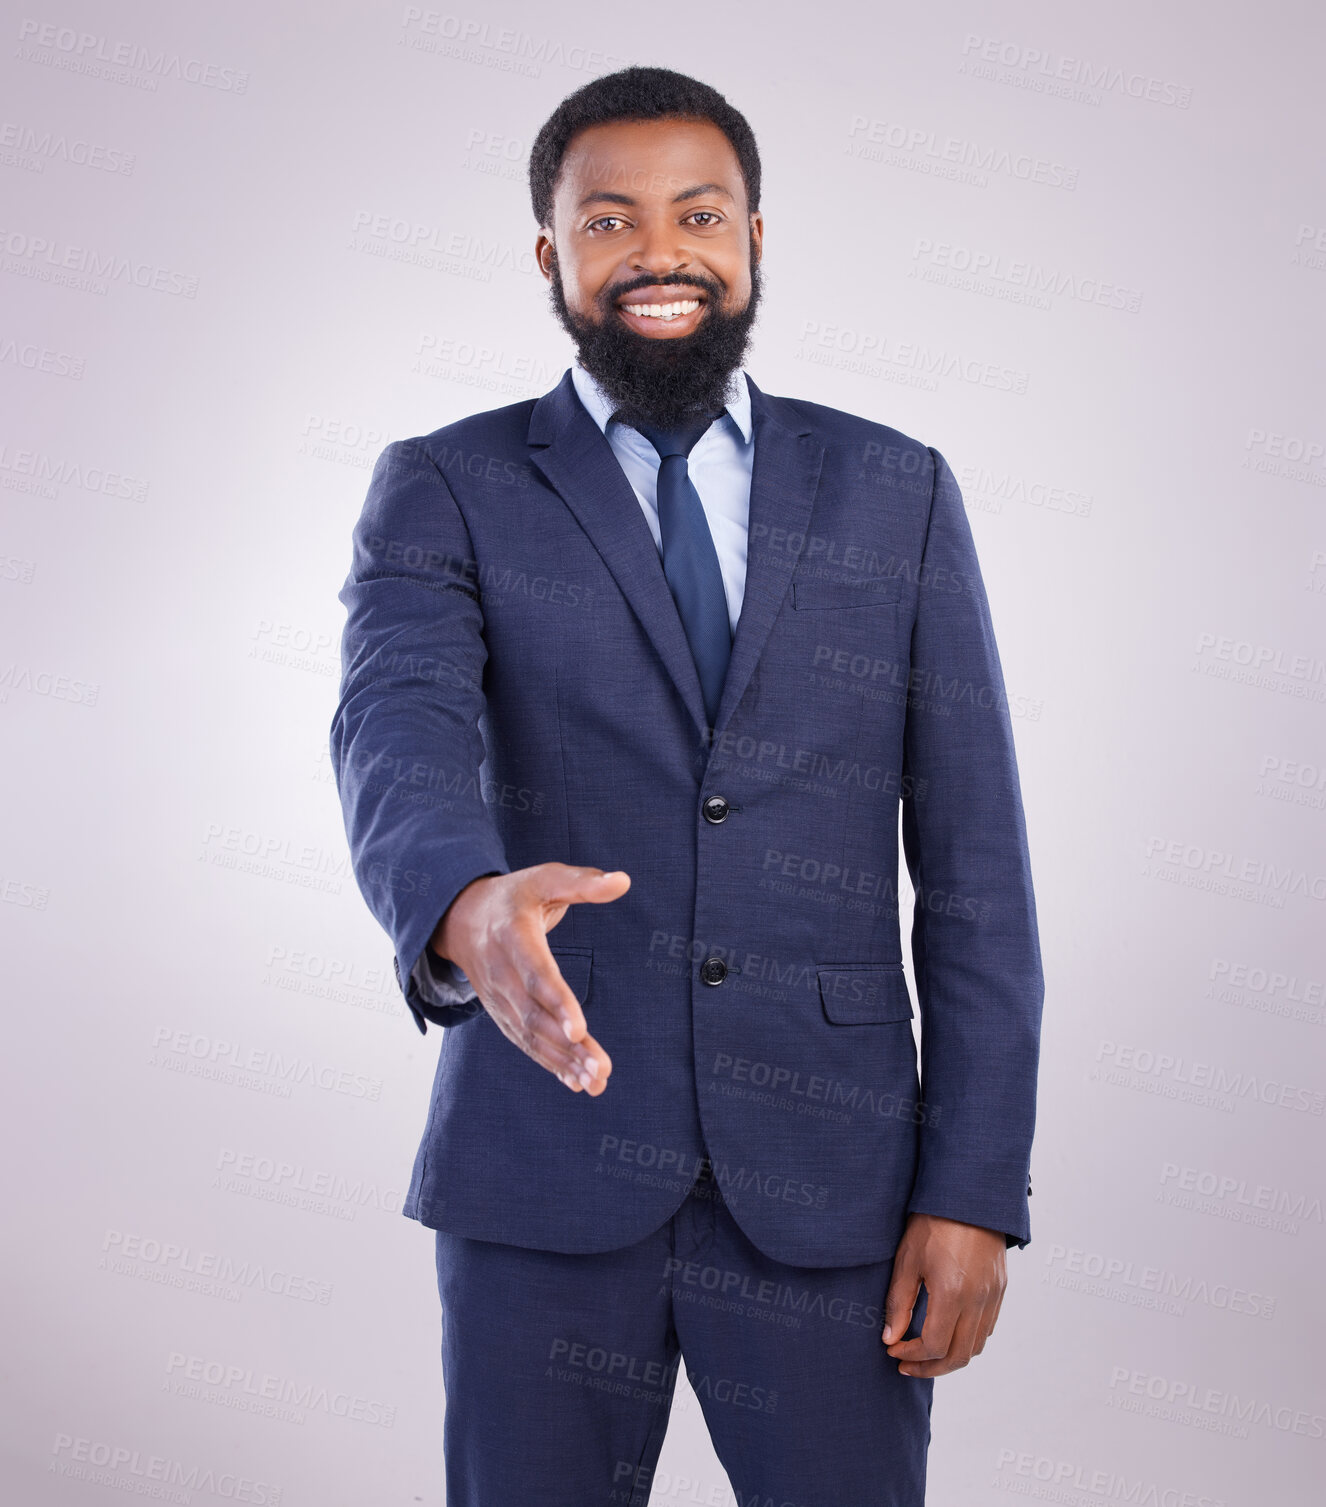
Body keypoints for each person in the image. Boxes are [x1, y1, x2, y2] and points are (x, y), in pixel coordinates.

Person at [331, 64, 1043, 1507]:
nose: (658, 251)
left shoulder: (893, 487)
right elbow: (393, 729)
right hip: (545, 1161)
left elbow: (974, 867)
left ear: (755, 238)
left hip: (835, 1183)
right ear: (553, 255)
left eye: (697, 214)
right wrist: (465, 906)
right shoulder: (448, 483)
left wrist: (972, 1188)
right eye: (609, 220)